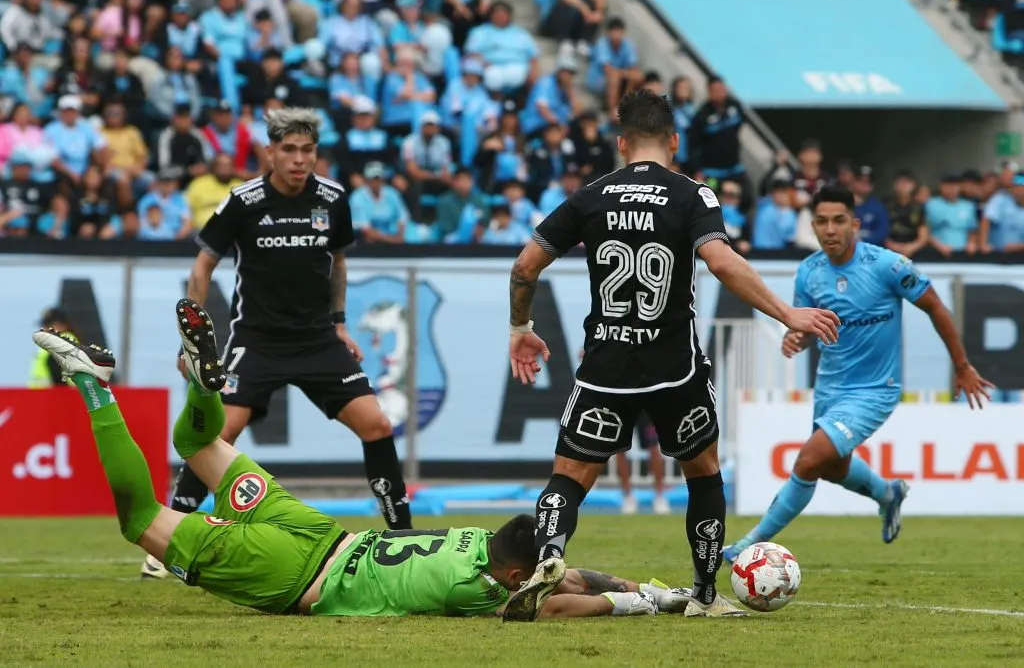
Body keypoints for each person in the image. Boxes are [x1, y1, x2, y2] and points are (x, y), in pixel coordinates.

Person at [32, 311, 695, 619]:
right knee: (140, 517)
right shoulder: (483, 590)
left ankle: (207, 390)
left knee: (199, 447)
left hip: (316, 528)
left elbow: (568, 576)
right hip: (294, 573)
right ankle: (95, 386)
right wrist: (638, 600)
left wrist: (652, 591)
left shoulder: (473, 541)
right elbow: (562, 601)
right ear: (519, 576)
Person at [502, 90, 841, 621]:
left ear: (621, 143)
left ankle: (548, 558)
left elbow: (525, 266)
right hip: (673, 369)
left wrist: (521, 327)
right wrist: (787, 313)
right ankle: (704, 595)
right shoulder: (692, 195)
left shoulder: (590, 197)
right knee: (702, 473)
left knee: (569, 476)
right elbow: (722, 262)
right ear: (675, 141)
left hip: (606, 367)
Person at [142, 108, 413, 579]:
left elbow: (339, 263)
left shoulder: (333, 198)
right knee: (217, 436)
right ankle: (169, 538)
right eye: (289, 150)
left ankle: (404, 537)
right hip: (258, 341)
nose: (299, 159)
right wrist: (192, 343)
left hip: (318, 340)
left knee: (378, 425)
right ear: (270, 152)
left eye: (307, 150)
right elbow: (203, 265)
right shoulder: (243, 201)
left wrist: (340, 324)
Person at [722, 186, 993, 563]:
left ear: (854, 223)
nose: (830, 229)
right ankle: (886, 493)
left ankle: (744, 547)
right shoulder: (809, 272)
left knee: (809, 461)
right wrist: (796, 337)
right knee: (833, 467)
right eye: (821, 221)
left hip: (875, 389)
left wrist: (962, 366)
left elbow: (936, 308)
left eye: (838, 220)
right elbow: (807, 326)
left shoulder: (888, 266)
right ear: (813, 226)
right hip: (830, 389)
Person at [28, 307, 78, 388]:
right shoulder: (56, 341)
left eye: (47, 325)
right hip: (49, 393)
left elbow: (57, 372)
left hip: (56, 393)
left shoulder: (61, 342)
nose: (43, 328)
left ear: (60, 325)